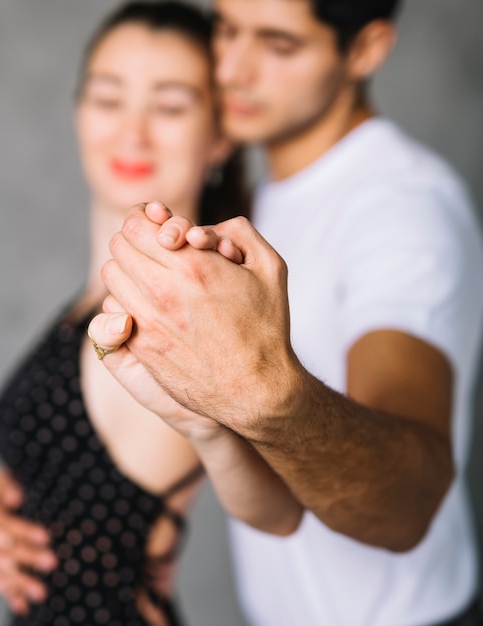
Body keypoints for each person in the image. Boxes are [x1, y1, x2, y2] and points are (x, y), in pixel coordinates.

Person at [87, 0, 483, 625]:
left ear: (365, 49)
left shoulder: (403, 209)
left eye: (279, 44)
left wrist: (264, 389)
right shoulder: (255, 196)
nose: (233, 69)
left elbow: (407, 505)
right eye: (226, 28)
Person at [0, 3, 303, 626]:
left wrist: (213, 432)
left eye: (169, 107)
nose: (132, 132)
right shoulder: (96, 297)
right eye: (108, 99)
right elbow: (81, 467)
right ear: (79, 112)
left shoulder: (192, 294)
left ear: (218, 135)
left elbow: (278, 508)